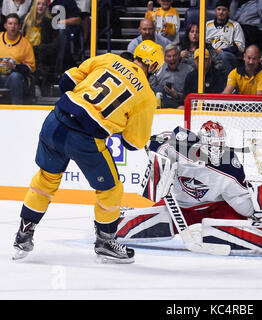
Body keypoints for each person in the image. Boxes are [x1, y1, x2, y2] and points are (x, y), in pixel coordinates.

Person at [12, 40, 165, 263]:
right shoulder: (147, 96)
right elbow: (133, 143)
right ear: (152, 66)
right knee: (111, 189)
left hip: (55, 121)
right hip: (84, 139)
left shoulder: (110, 59)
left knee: (46, 179)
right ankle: (105, 241)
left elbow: (67, 81)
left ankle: (23, 235)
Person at [116, 122, 262, 258]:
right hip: (178, 207)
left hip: (215, 208)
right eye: (211, 144)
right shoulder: (183, 144)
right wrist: (164, 156)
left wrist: (260, 207)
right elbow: (150, 142)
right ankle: (113, 223)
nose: (215, 149)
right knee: (126, 228)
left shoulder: (230, 165)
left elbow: (242, 204)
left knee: (244, 230)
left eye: (219, 144)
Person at [22, 0, 60, 95]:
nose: (41, 6)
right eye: (38, 4)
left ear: (46, 7)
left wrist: (39, 48)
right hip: (24, 53)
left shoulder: (51, 22)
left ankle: (37, 87)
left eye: (43, 4)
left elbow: (55, 44)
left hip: (42, 54)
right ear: (34, 5)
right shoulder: (24, 20)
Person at [0, 13, 35, 104]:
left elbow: (30, 69)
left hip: (16, 79)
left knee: (15, 77)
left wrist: (14, 66)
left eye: (15, 24)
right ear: (5, 25)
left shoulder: (25, 43)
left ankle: (17, 108)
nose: (13, 26)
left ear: (19, 26)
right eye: (10, 23)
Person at [206, 0, 246, 77]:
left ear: (229, 12)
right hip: (211, 53)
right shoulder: (208, 25)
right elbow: (203, 43)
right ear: (215, 11)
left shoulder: (235, 25)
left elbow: (241, 47)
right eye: (219, 9)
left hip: (228, 55)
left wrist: (223, 50)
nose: (221, 12)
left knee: (223, 56)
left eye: (224, 10)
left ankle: (229, 82)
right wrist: (214, 51)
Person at [148, 43, 194, 109]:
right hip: (163, 104)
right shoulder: (159, 69)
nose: (172, 59)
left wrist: (177, 95)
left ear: (179, 56)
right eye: (169, 56)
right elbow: (151, 89)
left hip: (182, 103)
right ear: (164, 58)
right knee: (159, 88)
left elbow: (192, 92)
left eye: (174, 55)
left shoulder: (189, 70)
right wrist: (150, 74)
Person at [49, 0, 82, 74]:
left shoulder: (68, 2)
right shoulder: (43, 2)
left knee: (61, 28)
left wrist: (58, 23)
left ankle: (58, 71)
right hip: (47, 34)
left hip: (65, 36)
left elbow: (78, 20)